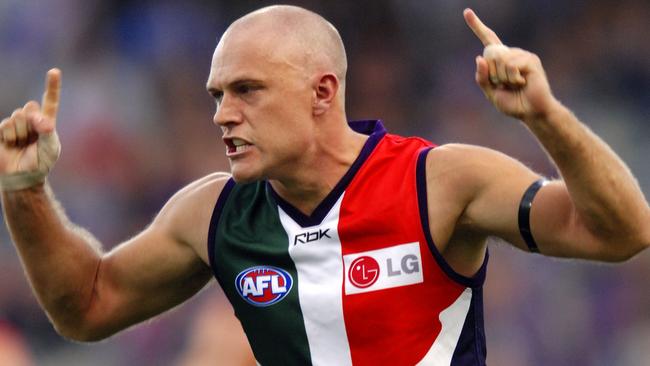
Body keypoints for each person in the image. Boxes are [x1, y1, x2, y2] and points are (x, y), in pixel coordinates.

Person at [1, 4, 648, 365]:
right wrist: (25, 192)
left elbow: (622, 232)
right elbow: (84, 307)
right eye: (217, 94)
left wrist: (546, 115)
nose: (223, 113)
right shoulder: (213, 214)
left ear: (322, 92)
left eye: (247, 90)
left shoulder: (440, 182)